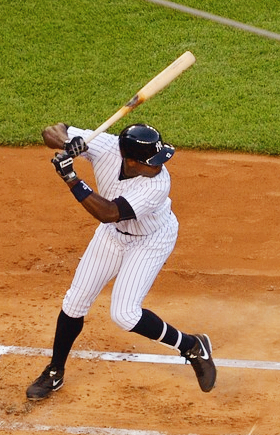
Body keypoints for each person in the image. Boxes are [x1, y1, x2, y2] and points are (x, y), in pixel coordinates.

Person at [27, 121, 216, 401]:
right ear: (129, 160)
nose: (159, 166)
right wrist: (68, 143)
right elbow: (51, 131)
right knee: (74, 302)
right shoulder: (105, 146)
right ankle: (55, 371)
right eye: (152, 161)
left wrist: (72, 178)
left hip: (150, 239)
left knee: (125, 314)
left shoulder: (157, 184)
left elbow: (110, 212)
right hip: (112, 236)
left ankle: (191, 345)